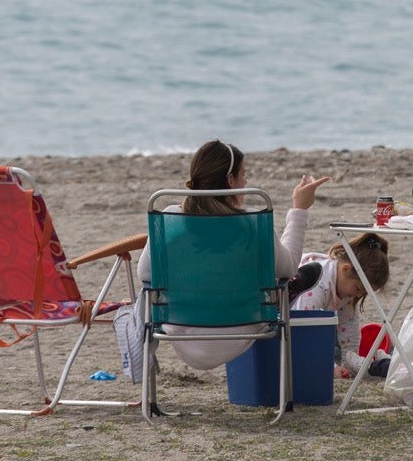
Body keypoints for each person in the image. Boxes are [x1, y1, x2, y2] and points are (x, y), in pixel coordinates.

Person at [134, 139, 329, 371]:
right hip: (243, 328)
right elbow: (288, 269)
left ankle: (149, 397)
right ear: (230, 181)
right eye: (243, 174)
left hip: (180, 330)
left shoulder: (171, 221)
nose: (246, 180)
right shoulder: (252, 225)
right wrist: (299, 210)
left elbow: (145, 273)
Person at [292, 232, 392, 378]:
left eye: (363, 293)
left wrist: (349, 361)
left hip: (310, 323)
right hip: (286, 319)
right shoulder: (318, 284)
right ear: (345, 270)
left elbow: (349, 327)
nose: (358, 295)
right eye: (358, 288)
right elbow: (304, 331)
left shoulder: (346, 289)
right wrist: (329, 367)